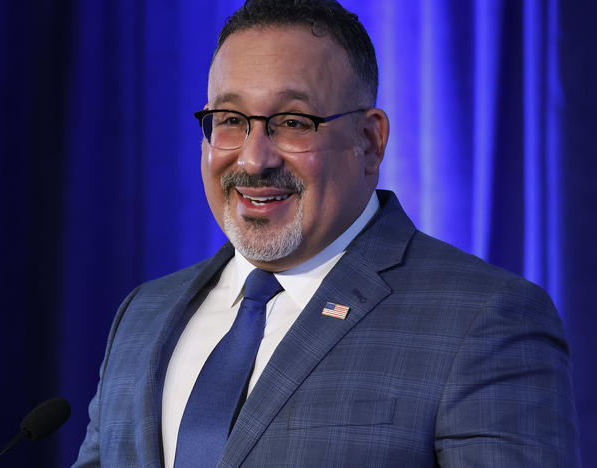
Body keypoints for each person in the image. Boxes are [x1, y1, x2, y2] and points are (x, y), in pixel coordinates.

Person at [73, 0, 580, 466]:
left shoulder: (484, 319)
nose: (253, 158)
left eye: (293, 122)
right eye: (230, 119)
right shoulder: (142, 313)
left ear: (369, 141)